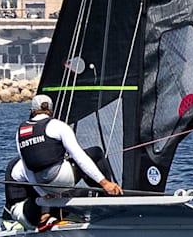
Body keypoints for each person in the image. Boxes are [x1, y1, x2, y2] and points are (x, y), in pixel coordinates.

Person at [7, 94, 119, 229]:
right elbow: (80, 157)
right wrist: (104, 182)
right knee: (95, 153)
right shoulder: (57, 125)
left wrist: (43, 193)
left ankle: (50, 215)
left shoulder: (20, 132)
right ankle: (109, 199)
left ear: (32, 111)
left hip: (42, 185)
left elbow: (27, 168)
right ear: (51, 111)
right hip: (62, 180)